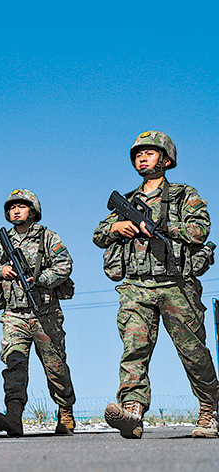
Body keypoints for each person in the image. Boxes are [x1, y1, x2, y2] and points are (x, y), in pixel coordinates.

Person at [94, 130, 219, 439]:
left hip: (176, 284)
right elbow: (98, 235)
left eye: (149, 153)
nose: (142, 157)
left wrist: (164, 227)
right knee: (133, 349)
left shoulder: (183, 194)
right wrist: (118, 227)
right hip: (136, 286)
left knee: (193, 352)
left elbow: (200, 229)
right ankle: (133, 413)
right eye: (138, 154)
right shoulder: (128, 201)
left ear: (166, 159)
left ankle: (208, 412)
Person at [0, 189, 76, 436]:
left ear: (32, 211)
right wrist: (2, 271)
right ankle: (14, 416)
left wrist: (40, 279)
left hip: (45, 312)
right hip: (14, 314)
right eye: (12, 207)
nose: (16, 210)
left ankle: (65, 412)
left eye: (21, 206)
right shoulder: (4, 241)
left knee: (55, 366)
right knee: (14, 364)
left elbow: (65, 264)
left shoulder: (47, 237)